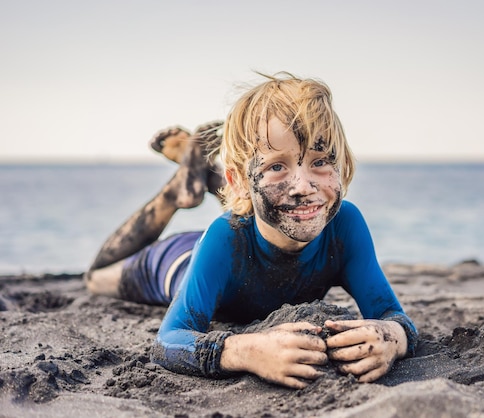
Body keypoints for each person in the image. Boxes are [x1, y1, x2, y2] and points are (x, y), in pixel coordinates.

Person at [85, 72, 419, 389]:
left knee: (268, 203)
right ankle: (177, 193)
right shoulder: (223, 237)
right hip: (176, 260)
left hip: (250, 223)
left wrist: (390, 337)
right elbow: (167, 341)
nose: (304, 186)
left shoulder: (345, 224)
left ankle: (211, 171)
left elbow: (394, 316)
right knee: (95, 278)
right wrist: (246, 350)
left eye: (320, 162)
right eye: (277, 166)